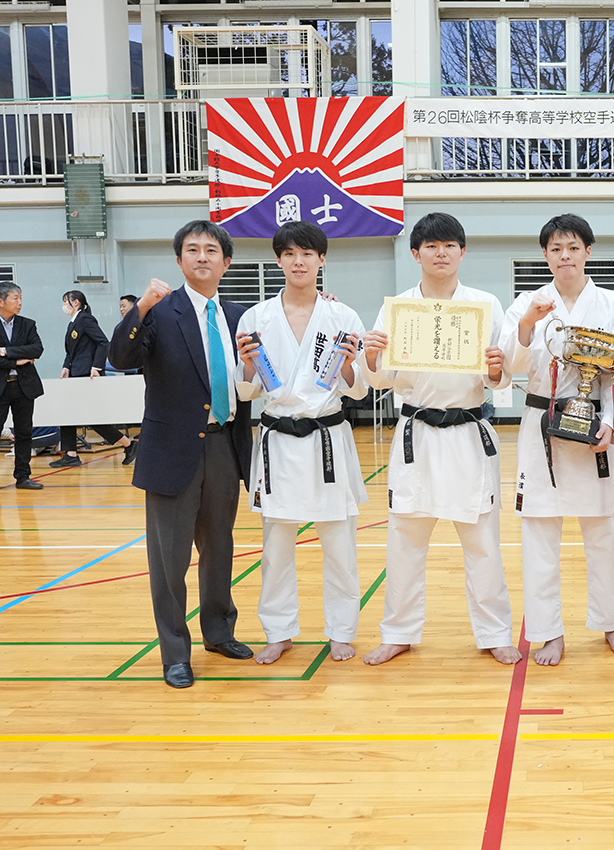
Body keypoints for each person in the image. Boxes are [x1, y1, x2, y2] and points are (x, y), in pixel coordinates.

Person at [361, 212, 519, 667]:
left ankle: (495, 633)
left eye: (450, 245)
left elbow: (500, 378)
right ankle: (398, 632)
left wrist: (496, 369)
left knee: (483, 542)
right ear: (416, 254)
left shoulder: (484, 304)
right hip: (417, 435)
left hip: (469, 433)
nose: (441, 253)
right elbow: (382, 379)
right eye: (431, 246)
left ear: (463, 252)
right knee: (404, 542)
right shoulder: (398, 310)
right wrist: (371, 357)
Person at [109, 220, 256, 689]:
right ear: (178, 260)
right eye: (192, 250)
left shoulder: (239, 316)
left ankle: (219, 631)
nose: (202, 257)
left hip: (224, 443)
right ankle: (175, 652)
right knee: (169, 559)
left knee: (220, 548)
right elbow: (120, 358)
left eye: (211, 250)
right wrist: (140, 308)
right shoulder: (159, 311)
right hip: (172, 450)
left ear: (226, 262)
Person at [500, 213, 614, 667]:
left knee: (602, 532)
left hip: (593, 424)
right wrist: (527, 324)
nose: (565, 256)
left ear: (588, 252)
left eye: (573, 247)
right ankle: (548, 633)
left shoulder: (613, 302)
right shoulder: (528, 303)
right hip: (542, 423)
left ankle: (610, 622)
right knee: (539, 535)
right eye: (556, 249)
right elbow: (511, 367)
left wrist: (612, 422)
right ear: (545, 255)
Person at [234, 222, 367, 665]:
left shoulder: (342, 316)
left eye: (307, 253)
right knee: (275, 549)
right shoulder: (256, 318)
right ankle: (279, 631)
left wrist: (348, 365)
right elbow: (247, 391)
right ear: (278, 260)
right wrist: (246, 365)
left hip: (327, 436)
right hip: (279, 439)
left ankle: (342, 631)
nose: (298, 261)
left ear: (321, 259)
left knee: (340, 546)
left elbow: (358, 388)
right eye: (289, 253)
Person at [49, 290, 137, 468]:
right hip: (76, 375)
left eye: (65, 301)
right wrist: (66, 367)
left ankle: (129, 445)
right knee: (68, 413)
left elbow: (103, 342)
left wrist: (96, 367)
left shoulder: (85, 319)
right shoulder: (73, 323)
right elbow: (71, 351)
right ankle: (71, 454)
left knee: (89, 417)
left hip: (87, 376)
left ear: (75, 302)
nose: (63, 305)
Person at [0, 282, 44, 490]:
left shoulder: (27, 324)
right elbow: (27, 353)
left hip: (23, 386)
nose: (20, 302)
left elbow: (37, 349)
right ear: (1, 301)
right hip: (1, 387)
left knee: (24, 432)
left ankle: (23, 476)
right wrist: (18, 360)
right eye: (15, 298)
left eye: (20, 298)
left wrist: (7, 352)